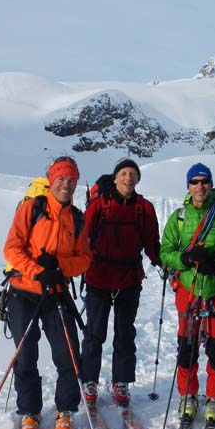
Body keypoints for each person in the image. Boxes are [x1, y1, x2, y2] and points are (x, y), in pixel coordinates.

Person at [2, 156, 92, 429]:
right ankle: (29, 411)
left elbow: (85, 259)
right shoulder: (32, 208)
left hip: (56, 295)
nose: (66, 185)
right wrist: (39, 270)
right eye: (61, 179)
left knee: (67, 354)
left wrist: (60, 268)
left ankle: (65, 409)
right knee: (25, 354)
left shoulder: (77, 218)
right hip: (23, 291)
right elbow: (12, 249)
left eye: (71, 180)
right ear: (51, 181)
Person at [80, 158, 161, 408]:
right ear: (115, 178)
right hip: (98, 277)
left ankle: (121, 381)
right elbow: (83, 238)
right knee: (95, 333)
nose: (128, 178)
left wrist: (162, 262)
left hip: (128, 279)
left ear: (137, 179)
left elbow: (151, 241)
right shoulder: (98, 206)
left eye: (132, 174)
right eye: (124, 173)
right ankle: (89, 380)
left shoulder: (143, 208)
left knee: (125, 333)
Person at [160, 162, 215, 424]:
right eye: (195, 182)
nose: (200, 186)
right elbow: (165, 251)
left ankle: (214, 397)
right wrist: (185, 259)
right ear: (188, 187)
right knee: (186, 347)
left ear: (210, 185)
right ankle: (187, 394)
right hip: (188, 289)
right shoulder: (178, 218)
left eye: (204, 181)